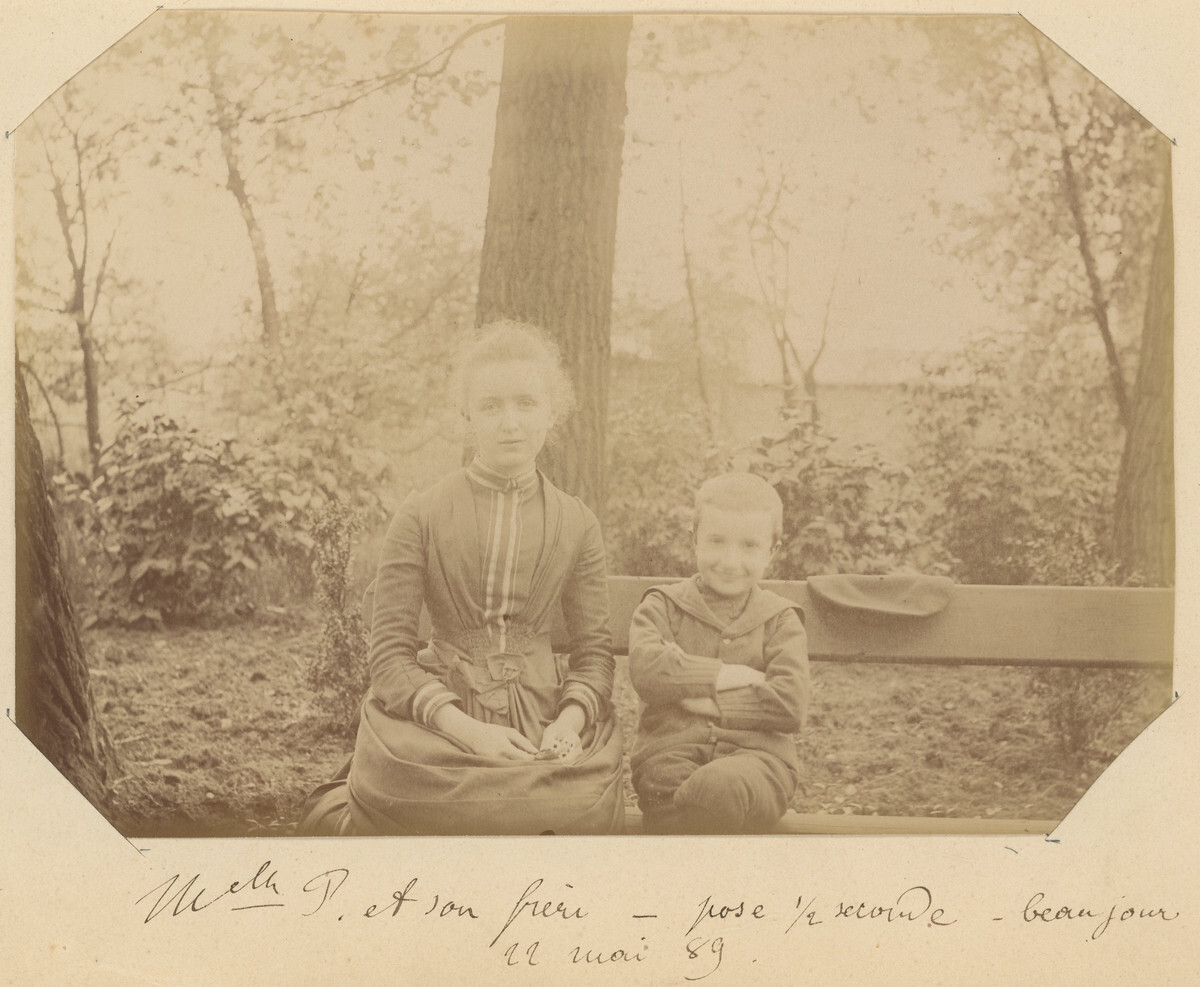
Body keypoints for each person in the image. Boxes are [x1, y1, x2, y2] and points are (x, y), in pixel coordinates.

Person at [298, 320, 624, 835]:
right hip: (441, 727)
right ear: (467, 416)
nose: (510, 422)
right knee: (424, 797)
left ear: (552, 412)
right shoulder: (421, 515)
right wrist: (469, 732)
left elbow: (595, 655)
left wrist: (568, 723)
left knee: (574, 804)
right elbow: (389, 658)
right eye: (491, 406)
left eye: (526, 403)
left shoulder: (577, 523)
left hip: (542, 721)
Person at [628, 472, 810, 834]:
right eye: (716, 541)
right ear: (694, 539)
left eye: (749, 546)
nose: (730, 560)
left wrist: (705, 699)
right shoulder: (662, 605)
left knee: (718, 789)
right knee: (672, 794)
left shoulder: (780, 619)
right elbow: (648, 670)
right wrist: (728, 676)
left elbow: (790, 703)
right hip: (671, 757)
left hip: (759, 762)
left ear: (772, 551)